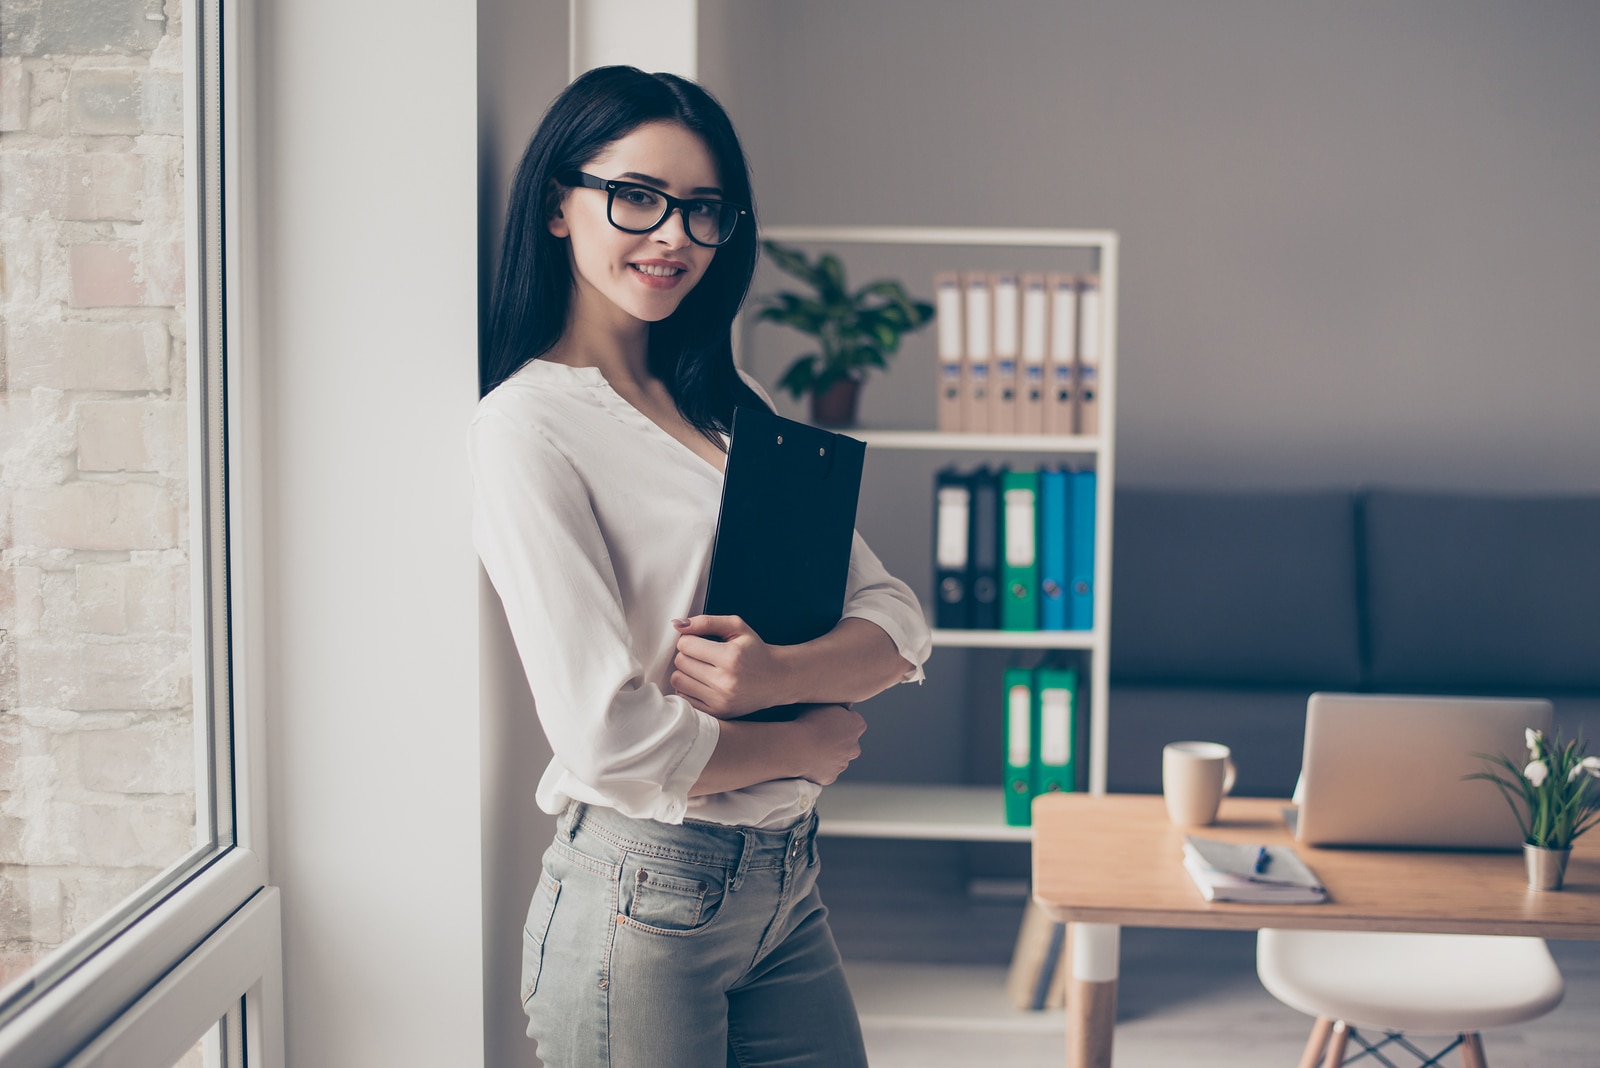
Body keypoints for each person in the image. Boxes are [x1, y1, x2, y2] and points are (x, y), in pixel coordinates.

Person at [471, 66, 932, 1068]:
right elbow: (605, 735)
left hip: (785, 884)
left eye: (703, 209)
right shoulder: (526, 426)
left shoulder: (732, 404)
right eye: (637, 197)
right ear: (557, 204)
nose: (674, 235)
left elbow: (896, 620)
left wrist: (777, 679)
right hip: (643, 895)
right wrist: (801, 741)